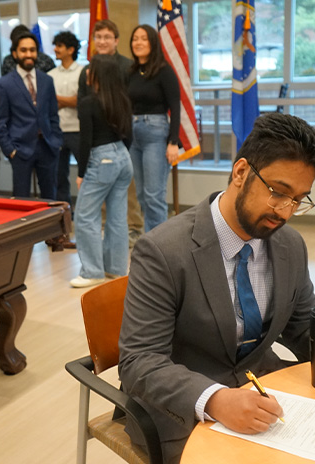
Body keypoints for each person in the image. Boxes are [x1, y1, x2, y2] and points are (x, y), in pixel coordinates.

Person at [119, 113, 315, 464]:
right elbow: (140, 361)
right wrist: (215, 400)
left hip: (263, 390)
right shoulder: (163, 251)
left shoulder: (288, 245)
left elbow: (301, 324)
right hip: (182, 410)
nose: (285, 212)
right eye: (278, 193)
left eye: (298, 199)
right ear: (240, 172)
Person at [78, 19, 144, 248]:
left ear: (116, 41)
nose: (102, 41)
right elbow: (84, 105)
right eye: (98, 37)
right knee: (110, 209)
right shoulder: (87, 70)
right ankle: (111, 249)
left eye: (107, 37)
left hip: (118, 141)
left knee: (124, 195)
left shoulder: (127, 67)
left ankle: (134, 227)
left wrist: (120, 146)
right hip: (104, 143)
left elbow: (128, 104)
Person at [70, 55, 133, 288]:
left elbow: (85, 141)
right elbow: (129, 135)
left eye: (91, 68)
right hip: (123, 158)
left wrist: (81, 173)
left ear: (98, 75)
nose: (87, 72)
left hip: (101, 159)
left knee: (84, 216)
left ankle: (92, 272)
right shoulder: (123, 99)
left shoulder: (88, 102)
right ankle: (116, 269)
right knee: (117, 217)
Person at [0, 31, 62, 199]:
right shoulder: (4, 84)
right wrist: (10, 150)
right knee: (21, 198)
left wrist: (56, 141)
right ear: (15, 53)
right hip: (20, 149)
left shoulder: (47, 80)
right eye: (23, 50)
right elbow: (0, 122)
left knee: (50, 198)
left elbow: (53, 115)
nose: (29, 54)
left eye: (32, 50)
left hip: (47, 147)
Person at [127, 24, 181, 233]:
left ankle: (158, 246)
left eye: (143, 38)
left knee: (154, 195)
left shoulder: (164, 70)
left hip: (156, 134)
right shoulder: (131, 71)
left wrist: (173, 141)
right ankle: (152, 239)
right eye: (135, 39)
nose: (138, 43)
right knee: (142, 194)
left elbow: (175, 106)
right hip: (133, 135)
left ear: (152, 43)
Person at [48, 31, 83, 212]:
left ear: (71, 49)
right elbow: (49, 103)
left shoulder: (83, 72)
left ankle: (84, 211)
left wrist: (59, 99)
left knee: (85, 174)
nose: (55, 49)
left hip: (78, 130)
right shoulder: (51, 75)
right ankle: (66, 214)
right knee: (59, 176)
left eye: (59, 46)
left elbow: (81, 101)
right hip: (58, 131)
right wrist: (69, 100)